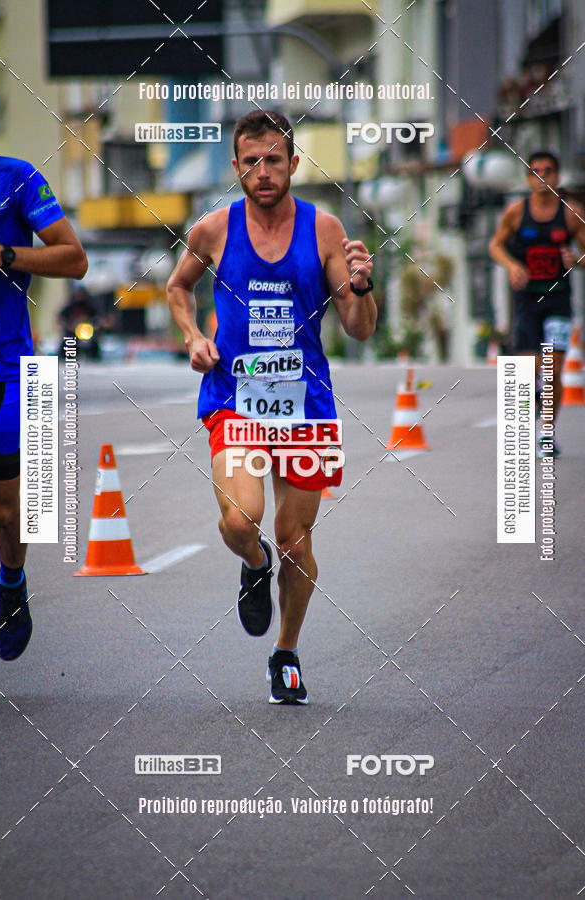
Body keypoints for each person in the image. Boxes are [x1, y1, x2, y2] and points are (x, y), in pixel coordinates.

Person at [167, 109, 376, 704]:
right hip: (236, 397)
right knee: (240, 520)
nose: (263, 172)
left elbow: (359, 328)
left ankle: (285, 652)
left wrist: (362, 287)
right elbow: (178, 285)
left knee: (296, 541)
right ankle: (253, 563)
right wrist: (193, 337)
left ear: (293, 163)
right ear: (236, 168)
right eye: (252, 162)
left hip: (305, 406)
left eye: (274, 160)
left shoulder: (325, 231)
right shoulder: (213, 230)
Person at [0, 103, 88, 660]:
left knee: (2, 509)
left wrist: (1, 254)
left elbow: (74, 260)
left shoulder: (15, 177)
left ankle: (11, 581)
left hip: (1, 367)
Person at [489, 150, 585, 456]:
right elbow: (495, 246)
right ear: (528, 179)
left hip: (558, 299)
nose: (543, 176)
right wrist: (511, 266)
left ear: (557, 177)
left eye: (549, 170)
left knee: (553, 369)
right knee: (530, 368)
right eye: (536, 171)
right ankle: (535, 397)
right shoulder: (517, 212)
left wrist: (576, 259)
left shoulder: (570, 213)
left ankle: (547, 433)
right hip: (527, 300)